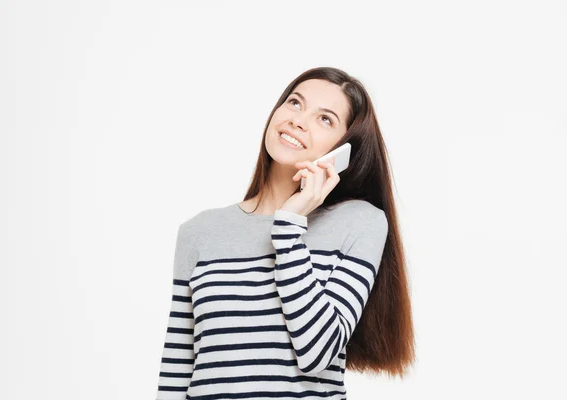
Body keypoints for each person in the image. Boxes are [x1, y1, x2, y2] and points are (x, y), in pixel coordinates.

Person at [156, 66, 415, 399]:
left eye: (325, 119)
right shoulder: (199, 232)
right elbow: (177, 367)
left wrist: (289, 229)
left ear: (344, 148)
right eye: (295, 103)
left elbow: (318, 353)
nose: (298, 120)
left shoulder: (360, 223)